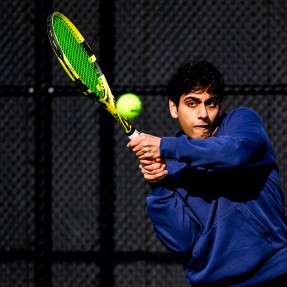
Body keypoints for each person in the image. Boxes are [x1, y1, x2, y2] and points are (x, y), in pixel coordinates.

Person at [127, 59, 287, 286]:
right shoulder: (170, 169)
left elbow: (234, 154)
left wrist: (165, 146)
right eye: (192, 103)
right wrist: (159, 184)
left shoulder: (241, 123)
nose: (203, 113)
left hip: (276, 273)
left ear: (219, 106)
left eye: (210, 103)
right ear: (174, 107)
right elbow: (183, 242)